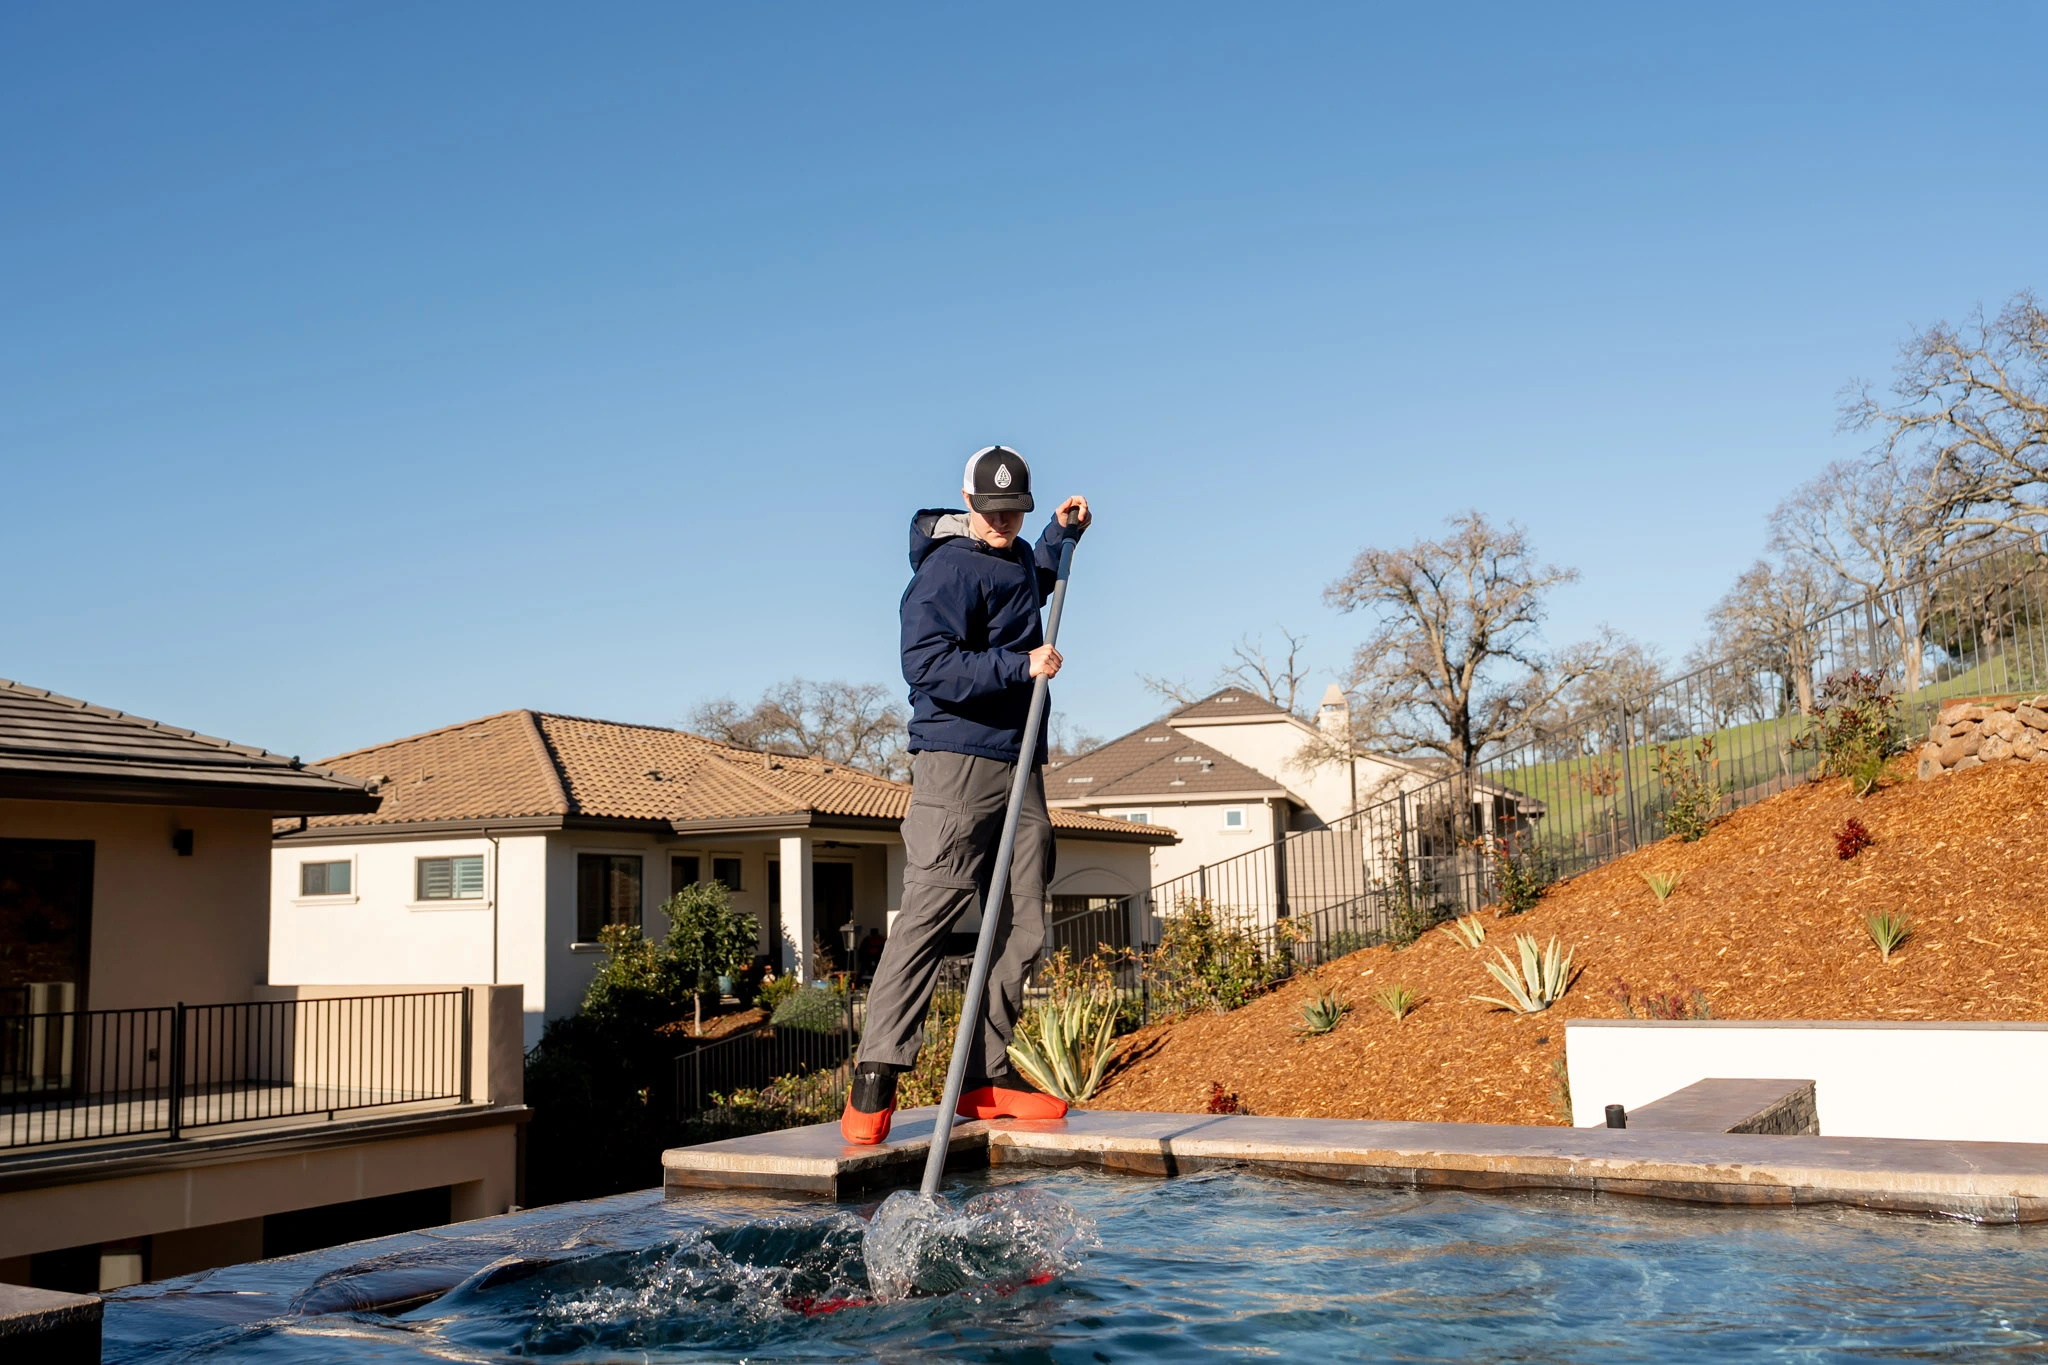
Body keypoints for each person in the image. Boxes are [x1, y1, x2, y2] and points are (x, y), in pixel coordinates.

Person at [840, 446, 1090, 1145]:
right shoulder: (944, 569)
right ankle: (876, 1074)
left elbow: (1022, 585)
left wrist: (1059, 539)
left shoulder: (1012, 553)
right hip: (956, 761)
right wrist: (1021, 664)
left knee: (1026, 915)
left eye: (1017, 511)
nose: (1005, 520)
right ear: (967, 501)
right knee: (931, 907)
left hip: (1020, 761)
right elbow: (926, 664)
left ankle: (984, 1072)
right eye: (994, 510)